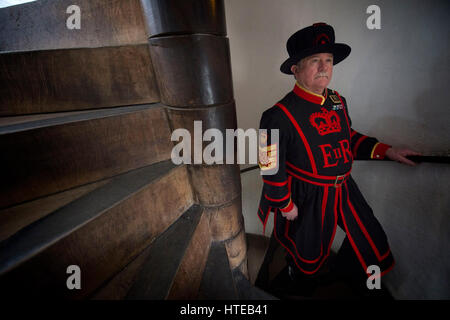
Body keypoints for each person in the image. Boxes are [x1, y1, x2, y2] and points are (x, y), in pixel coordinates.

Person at [257, 22, 421, 297]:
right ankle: (295, 279)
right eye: (315, 61)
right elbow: (268, 165)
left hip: (345, 188)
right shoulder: (275, 115)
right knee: (307, 254)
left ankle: (347, 276)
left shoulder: (338, 101)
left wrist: (386, 150)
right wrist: (285, 204)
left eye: (329, 61)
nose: (324, 67)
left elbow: (349, 137)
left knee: (370, 238)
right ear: (295, 69)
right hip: (306, 195)